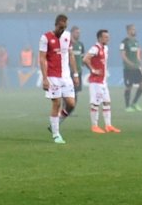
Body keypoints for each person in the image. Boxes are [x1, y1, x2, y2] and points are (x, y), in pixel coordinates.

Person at [39, 13, 79, 145]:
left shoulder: (67, 36)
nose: (62, 31)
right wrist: (45, 78)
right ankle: (56, 134)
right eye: (61, 28)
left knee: (71, 104)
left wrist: (75, 74)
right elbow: (42, 58)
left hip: (66, 77)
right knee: (56, 103)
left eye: (64, 28)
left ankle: (55, 124)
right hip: (52, 77)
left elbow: (71, 55)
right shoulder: (45, 38)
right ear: (56, 24)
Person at [85, 29, 121, 135]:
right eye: (105, 37)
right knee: (95, 104)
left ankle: (108, 125)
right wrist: (93, 70)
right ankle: (94, 126)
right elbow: (86, 59)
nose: (108, 38)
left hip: (103, 81)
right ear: (100, 38)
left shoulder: (105, 48)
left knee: (107, 102)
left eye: (108, 37)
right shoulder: (95, 48)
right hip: (96, 82)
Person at [120, 23, 142, 112]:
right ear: (128, 31)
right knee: (128, 87)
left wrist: (140, 63)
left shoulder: (136, 42)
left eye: (135, 29)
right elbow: (123, 55)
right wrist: (129, 63)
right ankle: (127, 106)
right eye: (133, 29)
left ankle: (134, 103)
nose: (135, 31)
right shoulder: (124, 42)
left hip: (136, 68)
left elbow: (137, 55)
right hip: (128, 69)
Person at [70, 26, 85, 99]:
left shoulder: (81, 44)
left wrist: (83, 64)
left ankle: (69, 109)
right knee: (68, 92)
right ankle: (64, 108)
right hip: (70, 71)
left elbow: (82, 57)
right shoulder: (68, 44)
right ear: (72, 33)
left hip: (78, 71)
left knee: (76, 93)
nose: (78, 34)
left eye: (79, 33)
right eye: (77, 33)